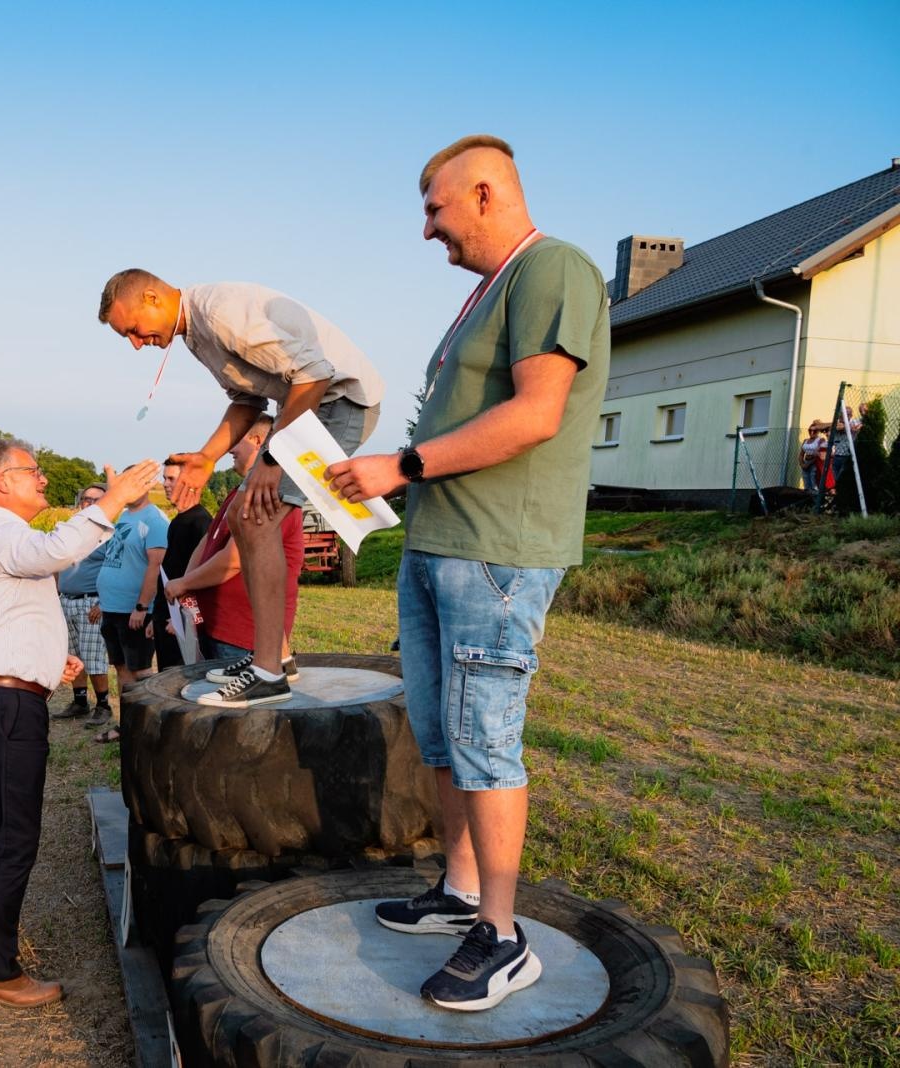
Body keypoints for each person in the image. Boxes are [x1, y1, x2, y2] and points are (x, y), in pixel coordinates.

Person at [326, 134, 610, 1011]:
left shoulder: (551, 269)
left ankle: (503, 934)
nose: (427, 231)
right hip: (439, 545)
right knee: (443, 733)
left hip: (496, 551)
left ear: (485, 194)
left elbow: (537, 414)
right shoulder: (491, 291)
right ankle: (457, 892)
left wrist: (401, 467)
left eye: (435, 210)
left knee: (486, 738)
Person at [0, 439, 157, 1009]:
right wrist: (114, 502)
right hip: (4, 709)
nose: (45, 481)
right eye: (34, 472)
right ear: (3, 481)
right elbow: (55, 552)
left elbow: (6, 612)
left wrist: (51, 658)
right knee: (12, 837)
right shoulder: (2, 532)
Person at [99, 270, 383, 707]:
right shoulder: (195, 333)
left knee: (255, 519)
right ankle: (277, 659)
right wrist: (209, 456)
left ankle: (268, 669)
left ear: (153, 297)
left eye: (133, 330)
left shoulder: (218, 312)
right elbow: (247, 402)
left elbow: (314, 374)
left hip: (341, 402)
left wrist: (273, 456)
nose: (137, 343)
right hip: (310, 404)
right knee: (240, 516)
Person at [163, 416, 304, 669]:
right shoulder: (240, 492)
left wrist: (184, 583)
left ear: (257, 441)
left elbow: (235, 560)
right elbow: (208, 542)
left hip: (244, 633)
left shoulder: (270, 492)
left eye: (236, 441)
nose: (230, 449)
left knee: (241, 707)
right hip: (218, 627)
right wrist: (188, 587)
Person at [93, 484, 169, 733]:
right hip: (112, 608)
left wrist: (142, 606)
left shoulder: (154, 520)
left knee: (141, 670)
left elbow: (155, 566)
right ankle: (127, 725)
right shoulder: (125, 516)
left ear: (145, 487)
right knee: (121, 667)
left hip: (133, 610)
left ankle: (149, 725)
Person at [52, 485, 112, 727]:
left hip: (91, 603)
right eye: (86, 498)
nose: (89, 502)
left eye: (96, 499)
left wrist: (104, 602)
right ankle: (80, 702)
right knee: (72, 654)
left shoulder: (108, 535)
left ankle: (104, 704)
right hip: (66, 600)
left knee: (93, 656)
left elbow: (115, 570)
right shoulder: (69, 531)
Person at [150, 462, 211, 670]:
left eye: (171, 479)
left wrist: (186, 619)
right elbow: (170, 570)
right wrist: (155, 616)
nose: (165, 484)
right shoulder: (177, 521)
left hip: (181, 621)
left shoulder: (200, 522)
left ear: (191, 484)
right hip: (166, 616)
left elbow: (202, 575)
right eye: (164, 478)